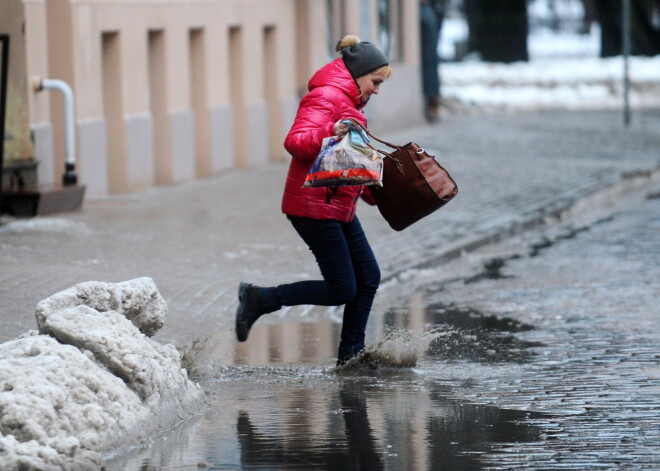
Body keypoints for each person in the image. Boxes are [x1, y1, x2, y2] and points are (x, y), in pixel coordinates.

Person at [234, 34, 392, 366]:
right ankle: (259, 298)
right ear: (358, 73)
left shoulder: (350, 105)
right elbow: (295, 142)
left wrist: (375, 187)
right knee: (342, 288)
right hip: (313, 206)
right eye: (375, 81)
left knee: (369, 277)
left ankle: (352, 356)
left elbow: (344, 160)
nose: (377, 89)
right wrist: (328, 133)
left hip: (337, 206)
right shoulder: (325, 98)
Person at [420, 0, 446, 122]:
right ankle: (432, 102)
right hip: (429, 9)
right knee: (430, 59)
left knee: (429, 59)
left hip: (428, 9)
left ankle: (431, 102)